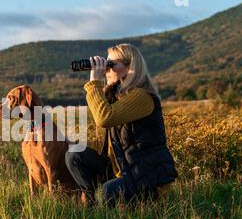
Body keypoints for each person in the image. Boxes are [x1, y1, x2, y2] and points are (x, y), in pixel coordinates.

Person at [65, 43, 178, 206]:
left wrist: (94, 82)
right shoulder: (115, 96)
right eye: (106, 64)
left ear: (130, 67)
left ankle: (133, 201)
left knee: (106, 192)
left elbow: (104, 118)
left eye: (110, 65)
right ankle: (92, 206)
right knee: (74, 155)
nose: (106, 70)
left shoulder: (142, 96)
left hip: (146, 176)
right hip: (123, 170)